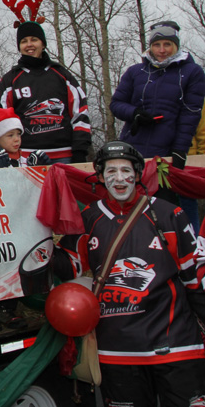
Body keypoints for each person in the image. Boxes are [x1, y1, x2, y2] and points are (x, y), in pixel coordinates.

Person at [54, 141, 205, 407]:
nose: (119, 178)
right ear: (100, 177)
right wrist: (37, 243)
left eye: (126, 170)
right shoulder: (89, 218)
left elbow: (193, 278)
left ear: (137, 175)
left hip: (176, 348)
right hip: (118, 352)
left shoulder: (170, 214)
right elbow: (70, 266)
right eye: (111, 171)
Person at [111, 20, 205, 223]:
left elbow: (190, 114)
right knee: (139, 208)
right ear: (150, 47)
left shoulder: (192, 73)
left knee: (180, 208)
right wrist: (135, 113)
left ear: (176, 45)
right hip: (135, 149)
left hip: (170, 152)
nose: (162, 50)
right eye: (157, 45)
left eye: (167, 45)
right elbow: (117, 103)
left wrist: (179, 150)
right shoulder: (136, 72)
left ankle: (192, 250)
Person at [0, 107, 49, 333]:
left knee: (14, 266)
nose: (16, 140)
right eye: (10, 135)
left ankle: (8, 309)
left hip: (17, 224)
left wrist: (41, 169)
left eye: (18, 134)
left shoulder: (24, 158)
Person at [0, 12, 90, 164]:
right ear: (19, 46)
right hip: (27, 157)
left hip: (65, 155)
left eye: (34, 40)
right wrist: (7, 153)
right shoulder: (11, 79)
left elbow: (81, 111)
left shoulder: (61, 74)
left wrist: (80, 150)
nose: (29, 45)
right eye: (24, 41)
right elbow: (0, 116)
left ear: (43, 44)